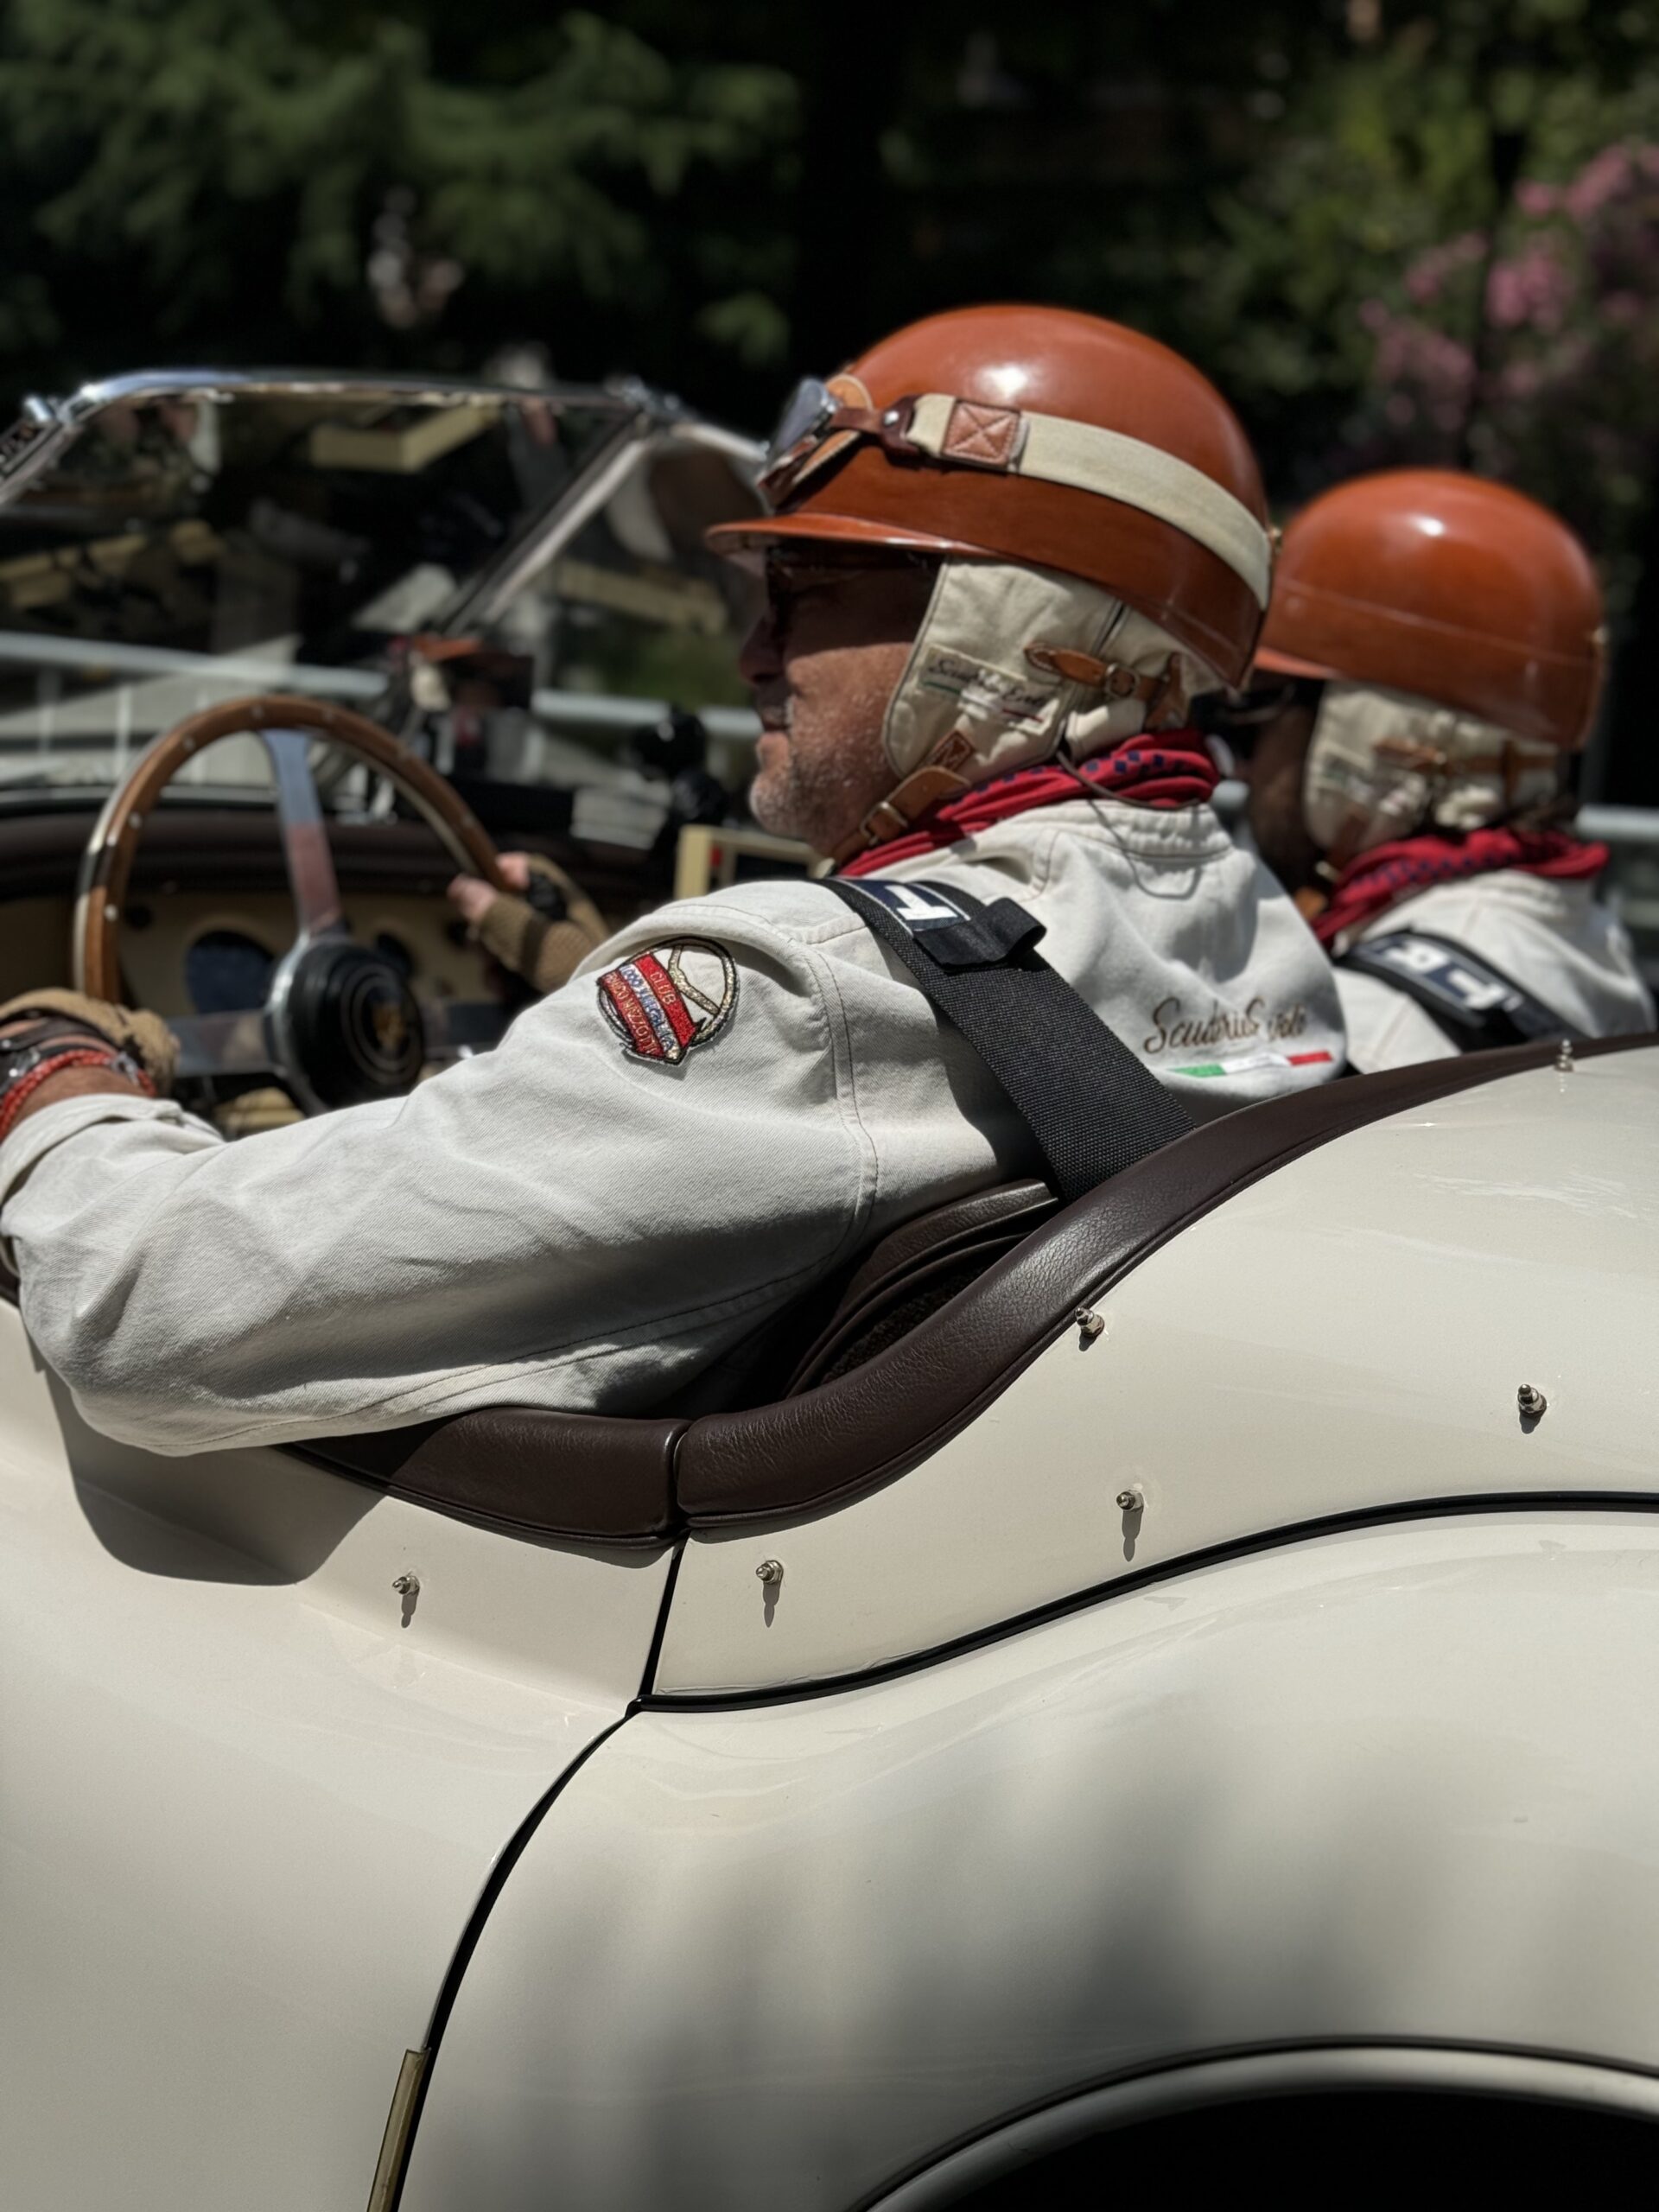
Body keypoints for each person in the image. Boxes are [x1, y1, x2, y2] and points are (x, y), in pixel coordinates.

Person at [0, 305, 1342, 1457]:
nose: (751, 652)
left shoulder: (799, 989)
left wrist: (57, 1098)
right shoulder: (1259, 927)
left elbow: (143, 1304)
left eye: (807, 590)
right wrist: (598, 977)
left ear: (1002, 633)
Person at [1243, 467, 1653, 1070]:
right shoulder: (1590, 940)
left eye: (1268, 706)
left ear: (1374, 744)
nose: (1246, 762)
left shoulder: (1370, 1037)